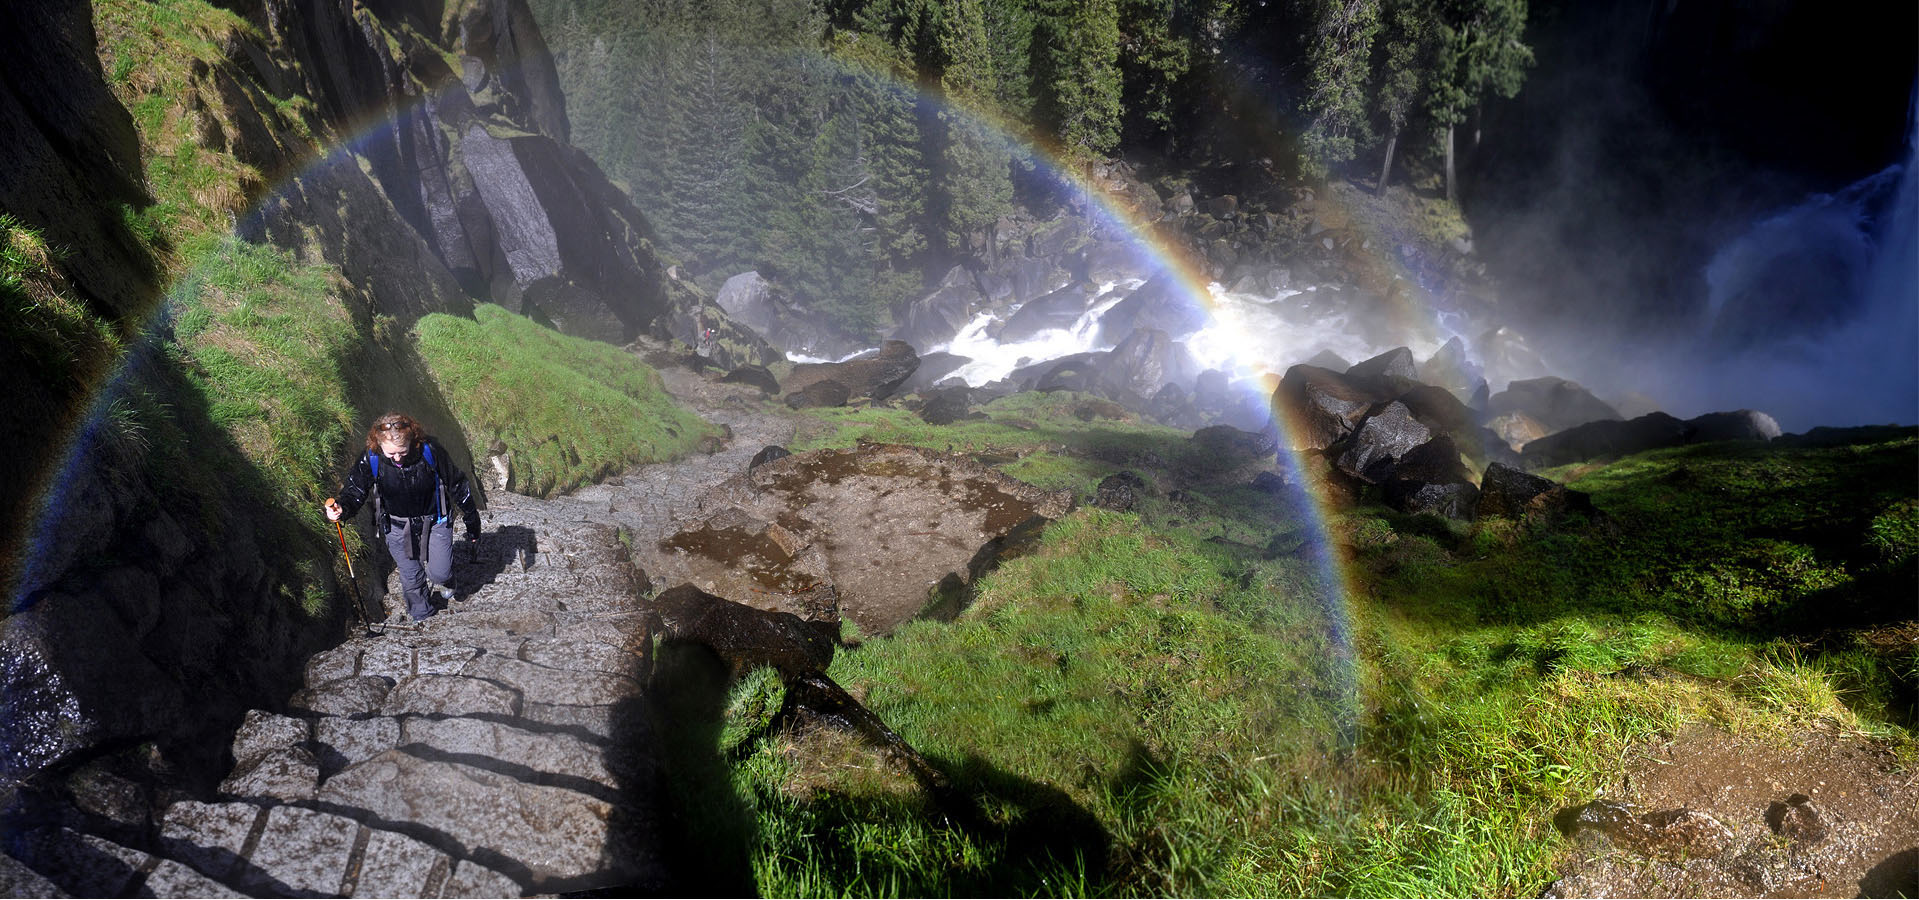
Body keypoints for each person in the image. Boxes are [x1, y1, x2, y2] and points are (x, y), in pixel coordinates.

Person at [324, 413, 481, 623]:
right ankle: (423, 617)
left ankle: (447, 580)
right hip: (396, 525)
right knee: (411, 575)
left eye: (402, 452)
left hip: (436, 520)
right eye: (391, 454)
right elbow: (355, 491)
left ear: (412, 439)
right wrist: (341, 508)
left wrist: (472, 524)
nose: (397, 458)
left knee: (440, 573)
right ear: (379, 444)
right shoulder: (371, 457)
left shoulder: (429, 450)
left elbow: (458, 485)